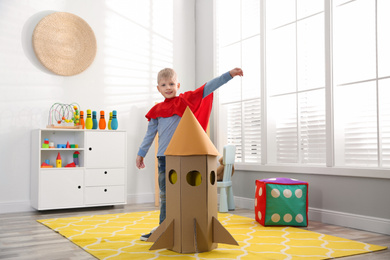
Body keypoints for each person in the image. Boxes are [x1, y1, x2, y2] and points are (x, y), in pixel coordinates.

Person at [136, 67, 243, 241]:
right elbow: (150, 134)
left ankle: (187, 226)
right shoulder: (156, 110)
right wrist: (141, 153)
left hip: (184, 158)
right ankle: (164, 227)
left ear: (178, 85)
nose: (168, 87)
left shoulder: (185, 101)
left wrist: (229, 75)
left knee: (187, 194)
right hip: (164, 159)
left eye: (171, 83)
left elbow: (207, 88)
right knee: (166, 196)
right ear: (158, 88)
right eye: (164, 84)